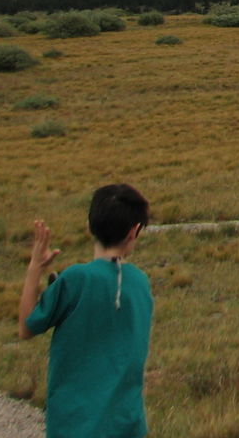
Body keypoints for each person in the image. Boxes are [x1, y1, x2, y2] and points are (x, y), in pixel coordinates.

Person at [17, 184, 154, 438]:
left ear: (89, 226)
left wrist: (35, 266)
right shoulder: (141, 283)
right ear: (134, 232)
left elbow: (26, 327)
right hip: (127, 425)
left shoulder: (74, 279)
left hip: (74, 426)